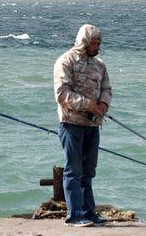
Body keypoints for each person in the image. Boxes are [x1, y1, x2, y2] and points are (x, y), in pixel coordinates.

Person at [54, 24, 112, 227]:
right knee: (73, 170)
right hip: (71, 123)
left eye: (98, 43)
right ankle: (74, 214)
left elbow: (106, 87)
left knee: (89, 170)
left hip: (93, 124)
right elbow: (62, 94)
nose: (96, 46)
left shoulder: (99, 64)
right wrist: (88, 105)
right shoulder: (66, 61)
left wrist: (103, 105)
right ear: (83, 43)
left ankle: (89, 212)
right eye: (93, 43)